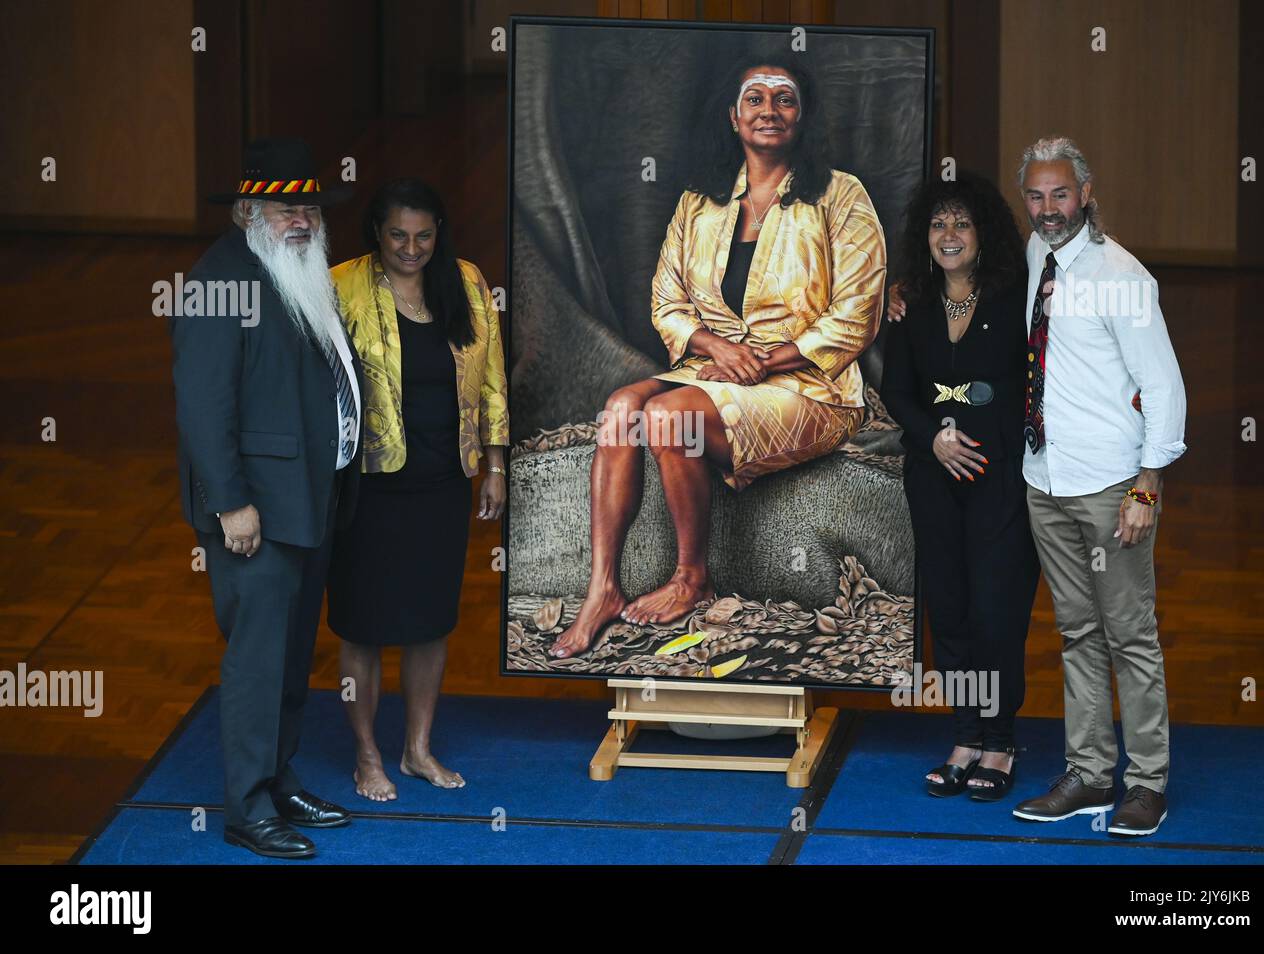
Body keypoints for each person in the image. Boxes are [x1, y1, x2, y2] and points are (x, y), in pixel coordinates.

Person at [550, 52, 887, 659]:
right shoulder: (700, 204)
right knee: (622, 404)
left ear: (802, 116)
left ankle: (691, 577)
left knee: (665, 417)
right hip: (718, 369)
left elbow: (857, 312)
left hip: (809, 387)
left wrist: (770, 359)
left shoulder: (840, 196)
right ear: (733, 117)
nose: (769, 110)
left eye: (784, 98)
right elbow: (666, 301)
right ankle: (601, 587)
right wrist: (716, 348)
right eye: (754, 99)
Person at [170, 137, 360, 859]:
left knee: (287, 657)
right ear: (249, 209)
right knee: (256, 661)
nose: (300, 218)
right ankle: (248, 807)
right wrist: (230, 504)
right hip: (258, 512)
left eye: (308, 204)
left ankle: (276, 778)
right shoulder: (221, 280)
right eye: (284, 207)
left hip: (309, 501)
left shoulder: (294, 271)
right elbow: (202, 407)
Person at [1008, 138, 1185, 836]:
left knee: (1129, 635)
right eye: (1035, 196)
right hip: (1044, 480)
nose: (1048, 209)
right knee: (1077, 632)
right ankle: (1088, 774)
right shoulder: (1033, 255)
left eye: (1060, 195)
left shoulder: (1123, 276)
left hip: (1113, 486)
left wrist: (1148, 486)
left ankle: (1146, 784)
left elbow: (1164, 386)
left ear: (1084, 193)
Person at [327, 179, 508, 801]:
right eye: (398, 235)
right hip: (368, 482)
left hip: (443, 481)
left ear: (440, 233)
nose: (412, 248)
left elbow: (491, 380)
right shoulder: (340, 284)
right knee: (364, 626)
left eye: (424, 235)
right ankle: (367, 753)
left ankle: (416, 749)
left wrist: (496, 464)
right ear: (377, 232)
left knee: (431, 623)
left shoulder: (466, 281)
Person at [881, 173, 1039, 801]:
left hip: (1000, 478)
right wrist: (934, 438)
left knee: (996, 611)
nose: (949, 235)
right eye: (939, 223)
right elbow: (896, 390)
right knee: (948, 610)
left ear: (985, 235)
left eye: (962, 223)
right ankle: (967, 734)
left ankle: (1000, 742)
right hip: (933, 479)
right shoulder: (913, 301)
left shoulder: (1015, 296)